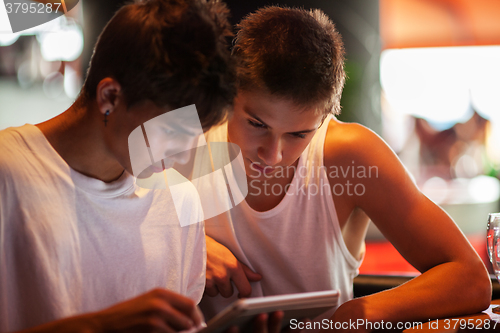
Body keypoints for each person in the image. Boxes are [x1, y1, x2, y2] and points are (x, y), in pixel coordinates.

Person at [199, 6, 492, 331]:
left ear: (324, 118)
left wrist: (355, 314)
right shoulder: (185, 132)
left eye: (298, 134)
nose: (273, 156)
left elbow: (470, 277)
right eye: (256, 124)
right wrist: (190, 249)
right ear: (228, 94)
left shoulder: (348, 154)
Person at [0, 0, 236, 332]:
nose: (182, 159)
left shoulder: (180, 200)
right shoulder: (8, 173)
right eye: (171, 133)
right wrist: (101, 325)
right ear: (110, 97)